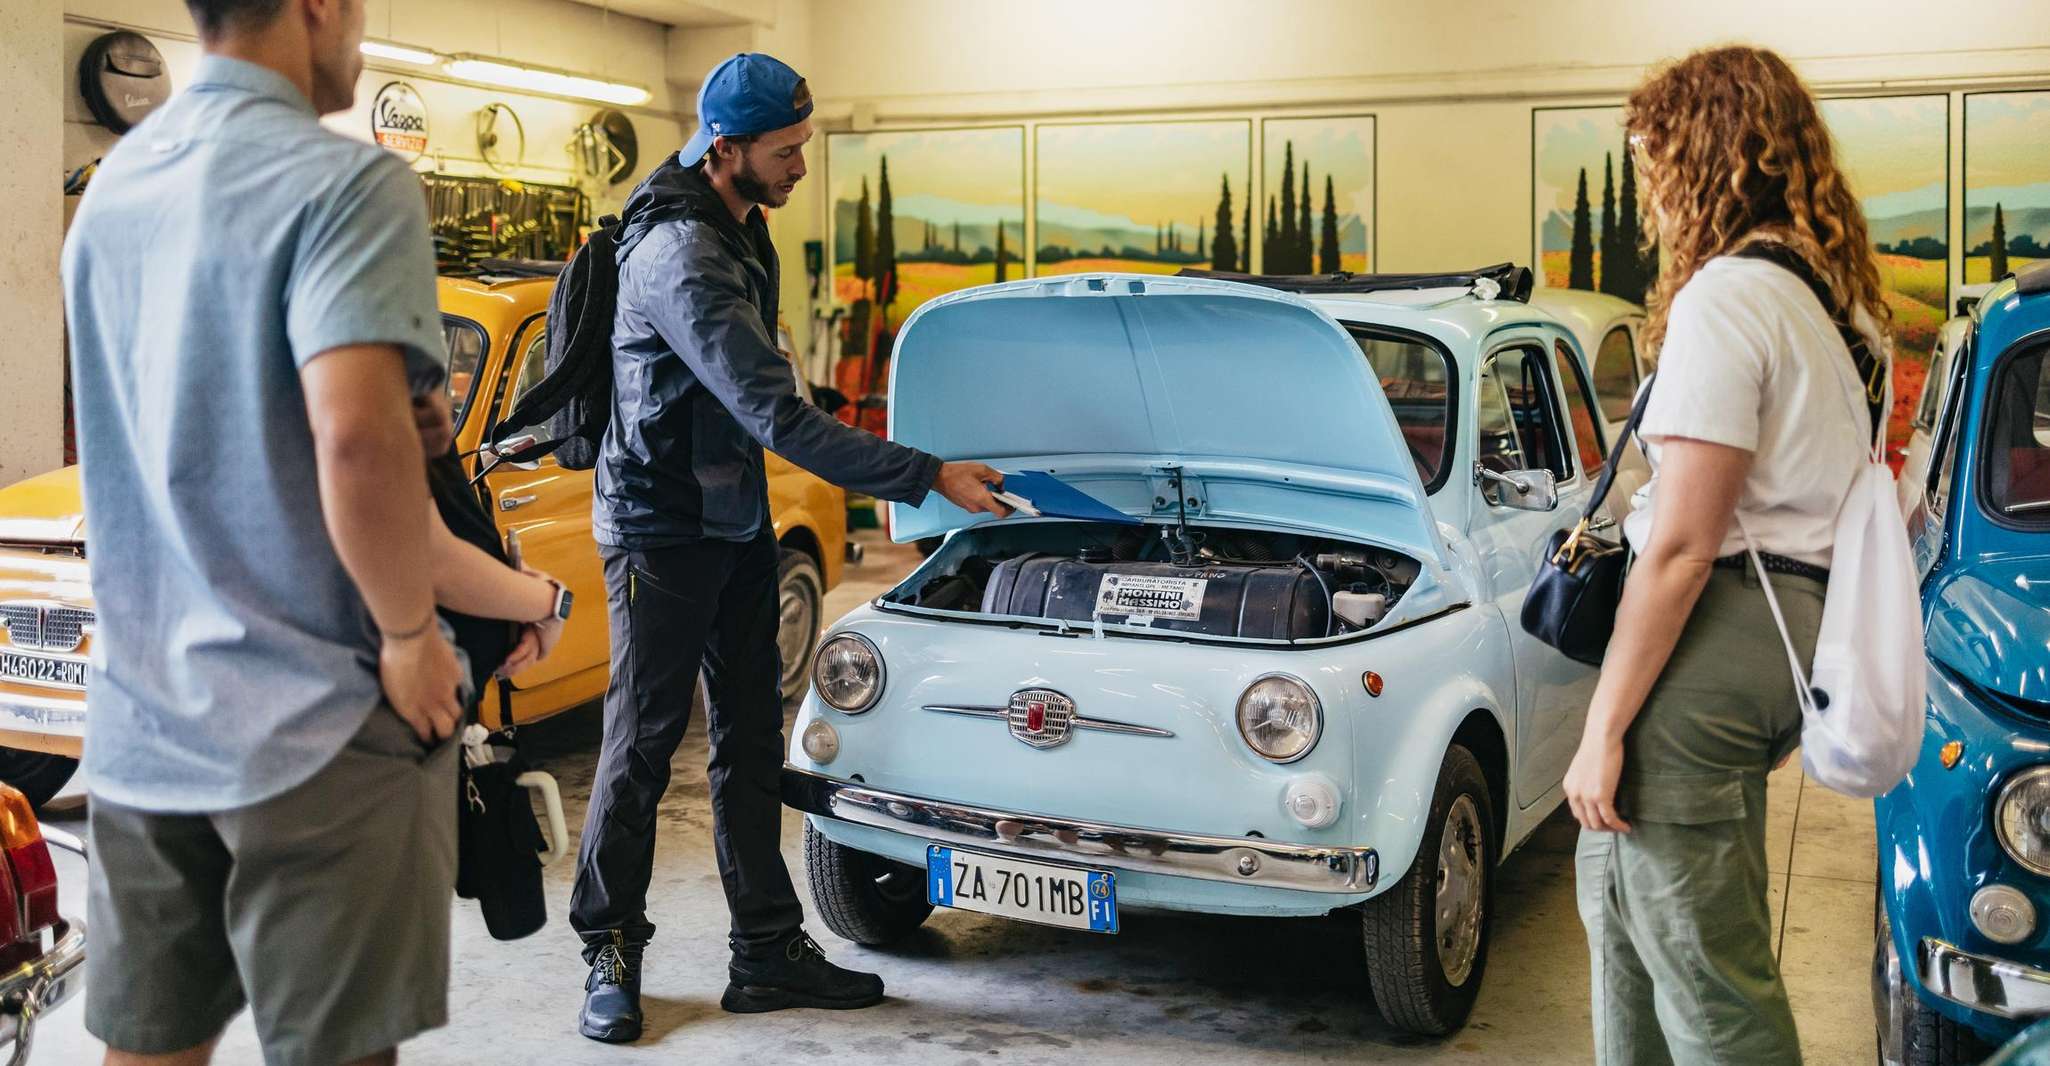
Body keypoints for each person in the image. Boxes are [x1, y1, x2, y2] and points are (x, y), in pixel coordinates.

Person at [60, 0, 526, 1062]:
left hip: (143, 727)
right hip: (313, 728)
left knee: (146, 1048)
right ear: (317, 3)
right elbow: (359, 443)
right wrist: (410, 632)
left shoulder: (116, 189)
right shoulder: (348, 185)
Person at [570, 51, 1009, 1042]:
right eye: (788, 149)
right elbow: (774, 412)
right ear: (727, 149)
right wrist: (926, 472)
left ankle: (764, 951)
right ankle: (609, 948)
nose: (802, 166)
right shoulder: (680, 255)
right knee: (640, 749)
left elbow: (773, 392)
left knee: (750, 740)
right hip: (657, 529)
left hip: (730, 520)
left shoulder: (741, 224)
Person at [1561, 45, 1890, 1065]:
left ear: (1708, 154)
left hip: (1722, 629)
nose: (1648, 187)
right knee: (1616, 895)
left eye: (1655, 157)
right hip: (1793, 627)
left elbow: (1682, 545)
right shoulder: (1838, 308)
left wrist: (1602, 726)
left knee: (1708, 973)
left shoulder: (1726, 297)